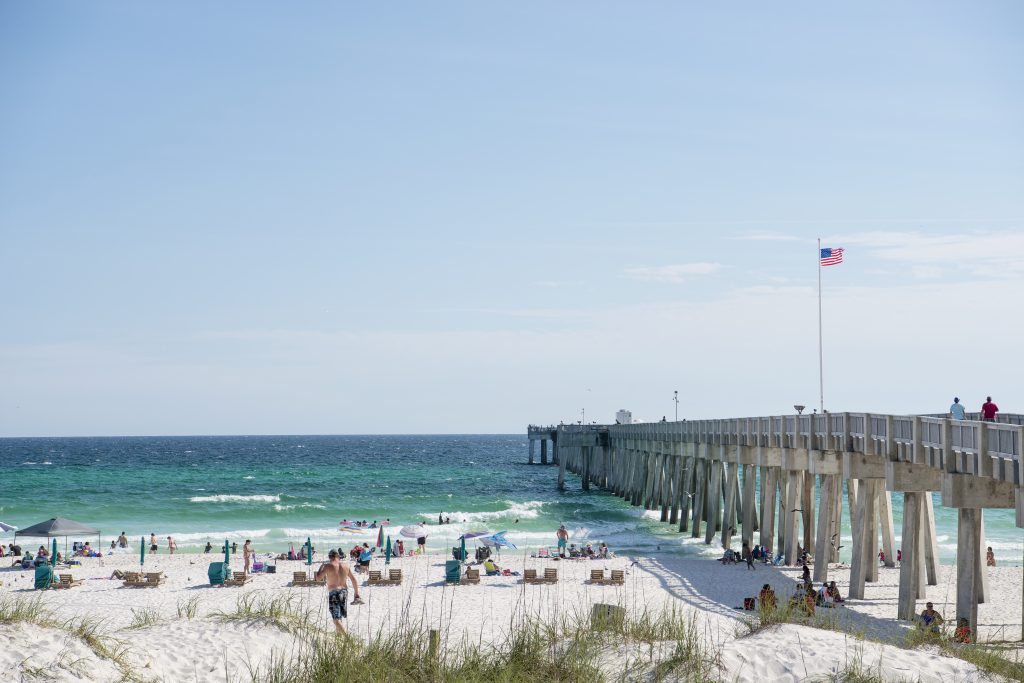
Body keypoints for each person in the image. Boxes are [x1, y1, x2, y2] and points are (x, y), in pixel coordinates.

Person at [315, 550, 361, 634]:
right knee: (339, 616)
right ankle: (339, 637)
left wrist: (321, 567)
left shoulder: (327, 566)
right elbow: (354, 580)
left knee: (336, 620)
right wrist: (356, 593)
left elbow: (318, 579)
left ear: (330, 557)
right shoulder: (346, 566)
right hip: (344, 592)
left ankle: (348, 639)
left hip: (334, 592)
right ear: (338, 557)